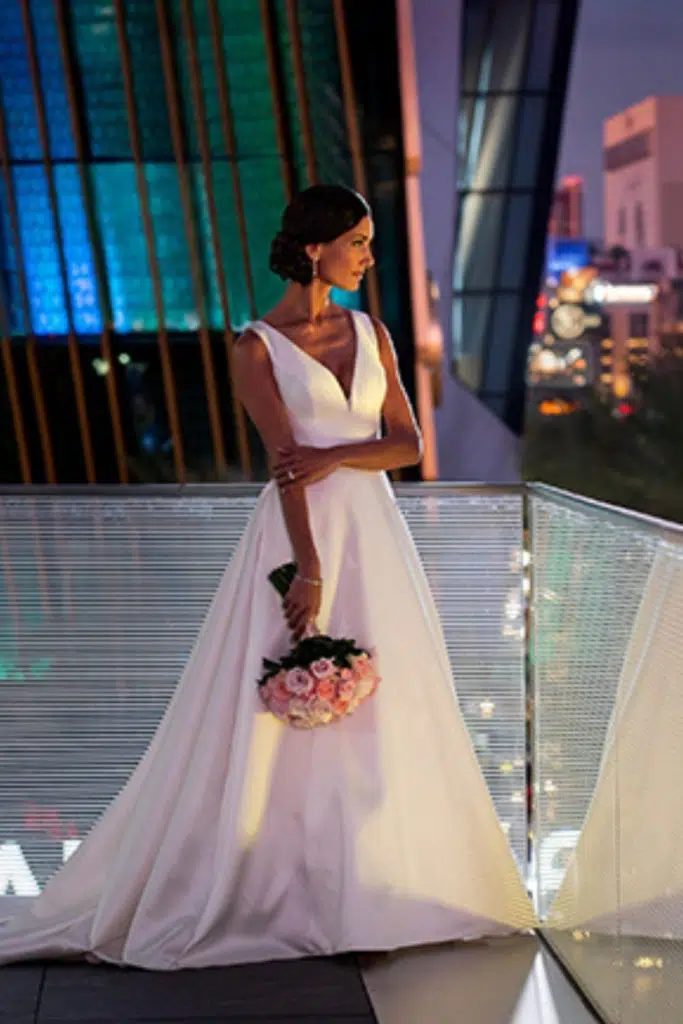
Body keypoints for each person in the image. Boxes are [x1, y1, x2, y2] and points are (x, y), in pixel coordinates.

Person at [0, 185, 535, 970]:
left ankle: (375, 885)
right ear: (315, 248)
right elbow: (285, 470)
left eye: (370, 240)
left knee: (386, 705)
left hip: (375, 536)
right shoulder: (255, 346)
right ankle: (287, 886)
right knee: (280, 716)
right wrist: (307, 569)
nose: (369, 256)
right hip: (301, 535)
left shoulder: (370, 330)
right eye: (358, 241)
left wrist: (334, 455)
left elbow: (407, 444)